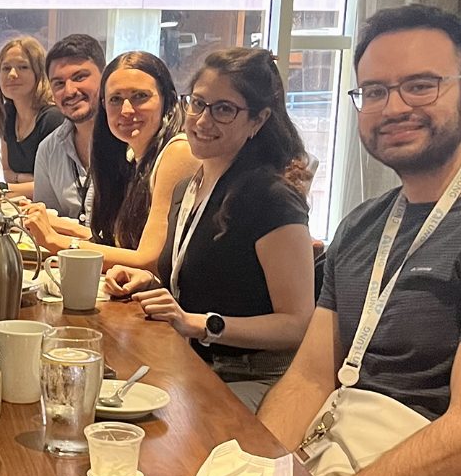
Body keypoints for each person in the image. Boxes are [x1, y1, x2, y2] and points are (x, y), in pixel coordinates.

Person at [258, 4, 461, 476]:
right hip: (341, 458)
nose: (393, 107)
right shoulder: (362, 224)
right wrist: (261, 472)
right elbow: (309, 378)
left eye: (420, 86)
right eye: (373, 91)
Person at [104, 48, 315, 411]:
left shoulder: (270, 198)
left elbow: (296, 324)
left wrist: (202, 324)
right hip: (194, 365)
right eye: (198, 104)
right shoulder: (191, 185)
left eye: (224, 109)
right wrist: (150, 282)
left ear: (258, 120)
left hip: (249, 379)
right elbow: (209, 283)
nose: (202, 120)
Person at [24, 51, 199, 269]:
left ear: (167, 99)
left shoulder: (178, 151)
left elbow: (148, 260)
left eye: (140, 96)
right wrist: (60, 226)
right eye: (116, 99)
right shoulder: (130, 154)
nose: (126, 110)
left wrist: (55, 241)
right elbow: (120, 243)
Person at [32, 34, 106, 239]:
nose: (70, 91)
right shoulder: (49, 149)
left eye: (80, 77)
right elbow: (46, 225)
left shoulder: (130, 146)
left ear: (105, 77)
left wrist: (75, 232)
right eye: (59, 83)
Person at [0, 36, 63, 197]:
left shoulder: (53, 119)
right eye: (6, 68)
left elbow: (53, 187)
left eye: (23, 67)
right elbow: (7, 172)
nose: (12, 74)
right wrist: (28, 180)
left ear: (39, 73)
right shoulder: (7, 114)